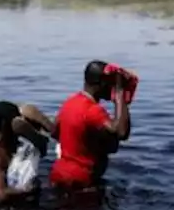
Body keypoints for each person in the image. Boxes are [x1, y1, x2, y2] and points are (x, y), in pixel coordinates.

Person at [48, 60, 132, 190]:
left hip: (59, 174)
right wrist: (120, 94)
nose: (111, 88)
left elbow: (55, 132)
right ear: (101, 84)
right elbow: (121, 132)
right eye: (109, 84)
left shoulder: (69, 103)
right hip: (82, 182)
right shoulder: (93, 110)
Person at [0, 102, 54, 204]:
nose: (21, 123)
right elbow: (1, 195)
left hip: (17, 196)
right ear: (5, 123)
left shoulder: (11, 142)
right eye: (17, 120)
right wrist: (29, 189)